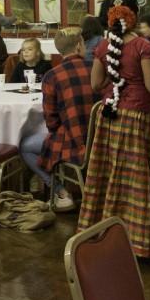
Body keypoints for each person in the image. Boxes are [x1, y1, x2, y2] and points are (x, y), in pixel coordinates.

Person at [76, 0, 150, 259]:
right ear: (135, 16)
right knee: (135, 181)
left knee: (107, 175)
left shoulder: (102, 46)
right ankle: (138, 242)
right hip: (135, 118)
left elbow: (95, 85)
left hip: (109, 118)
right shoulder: (143, 46)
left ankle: (102, 231)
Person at [20, 28, 96, 212]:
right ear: (79, 46)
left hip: (74, 142)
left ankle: (61, 193)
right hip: (103, 140)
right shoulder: (95, 68)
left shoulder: (52, 76)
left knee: (24, 146)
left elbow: (51, 121)